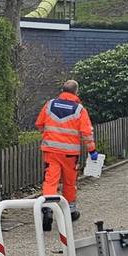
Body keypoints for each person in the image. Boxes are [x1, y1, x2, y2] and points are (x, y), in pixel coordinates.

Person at [35, 79, 96, 231]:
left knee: (50, 181)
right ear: (76, 92)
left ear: (62, 90)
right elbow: (86, 133)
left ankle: (48, 210)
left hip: (51, 151)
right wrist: (92, 151)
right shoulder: (79, 110)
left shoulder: (50, 104)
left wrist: (49, 135)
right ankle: (70, 211)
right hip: (69, 154)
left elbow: (39, 124)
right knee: (69, 182)